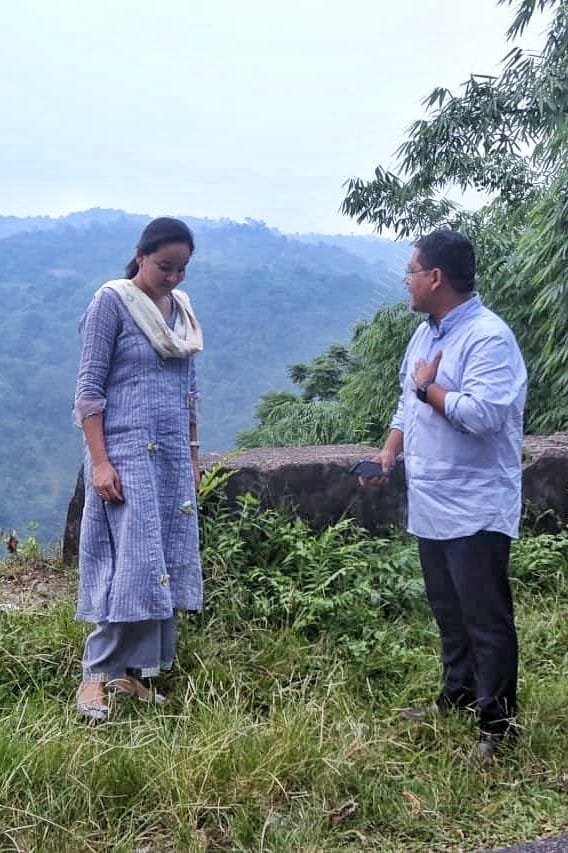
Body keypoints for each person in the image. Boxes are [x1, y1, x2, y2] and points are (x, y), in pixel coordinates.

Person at [363, 229, 527, 763]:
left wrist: (427, 389)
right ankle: (456, 697)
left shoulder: (488, 337)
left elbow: (483, 415)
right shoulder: (425, 335)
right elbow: (404, 407)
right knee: (449, 613)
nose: (406, 281)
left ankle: (498, 727)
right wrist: (389, 454)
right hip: (432, 500)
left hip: (476, 504)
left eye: (412, 271)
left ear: (435, 278)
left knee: (485, 618)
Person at [73, 217, 203, 723]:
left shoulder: (183, 313)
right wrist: (100, 462)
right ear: (140, 255)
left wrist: (192, 457)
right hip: (124, 451)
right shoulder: (112, 302)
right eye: (164, 266)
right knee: (127, 560)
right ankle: (94, 676)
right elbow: (88, 389)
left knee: (160, 559)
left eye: (182, 269)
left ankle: (133, 673)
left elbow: (189, 393)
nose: (172, 278)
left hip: (169, 454)